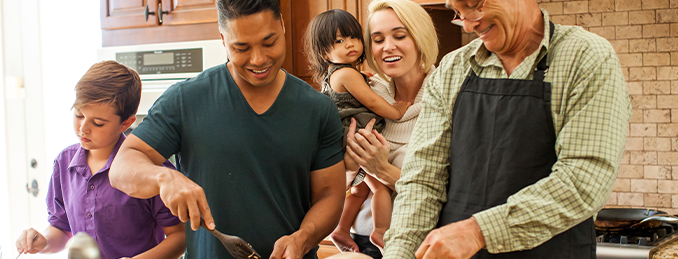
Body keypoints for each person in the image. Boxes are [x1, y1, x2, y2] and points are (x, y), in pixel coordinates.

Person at [382, 0, 633, 258]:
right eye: (458, 12)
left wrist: (478, 232)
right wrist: (399, 254)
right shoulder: (452, 69)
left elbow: (585, 179)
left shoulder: (585, 57)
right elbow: (422, 181)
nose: (469, 22)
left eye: (474, 4)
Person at [108, 0, 347, 258]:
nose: (259, 59)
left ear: (283, 27)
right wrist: (164, 178)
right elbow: (122, 168)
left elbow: (329, 195)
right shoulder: (186, 100)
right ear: (223, 39)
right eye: (241, 47)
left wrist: (303, 238)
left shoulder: (318, 110)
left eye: (269, 42)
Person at [14, 60, 186, 259]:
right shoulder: (63, 163)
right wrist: (42, 242)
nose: (83, 129)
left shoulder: (151, 169)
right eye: (79, 115)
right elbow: (62, 230)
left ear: (126, 123)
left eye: (98, 123)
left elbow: (179, 237)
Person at [335, 0, 439, 258]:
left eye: (400, 35)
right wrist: (348, 167)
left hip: (422, 242)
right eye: (377, 39)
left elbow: (447, 192)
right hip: (361, 238)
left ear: (420, 38)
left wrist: (382, 169)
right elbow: (342, 182)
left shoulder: (446, 98)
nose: (387, 47)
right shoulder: (363, 94)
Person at [303, 8, 411, 252]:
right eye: (339, 41)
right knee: (379, 187)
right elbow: (372, 103)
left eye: (353, 37)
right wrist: (398, 111)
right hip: (357, 137)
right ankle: (381, 231)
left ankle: (340, 229)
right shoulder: (348, 74)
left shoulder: (340, 74)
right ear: (324, 52)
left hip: (344, 140)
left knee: (359, 189)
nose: (350, 44)